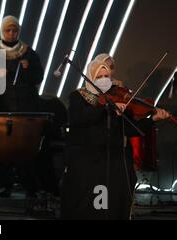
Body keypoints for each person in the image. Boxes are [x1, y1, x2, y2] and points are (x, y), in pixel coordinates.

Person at [60, 59, 170, 219]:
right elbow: (79, 118)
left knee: (113, 202)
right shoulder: (78, 96)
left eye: (106, 76)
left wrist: (152, 119)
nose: (104, 79)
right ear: (90, 77)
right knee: (88, 204)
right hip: (88, 159)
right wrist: (107, 108)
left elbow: (132, 129)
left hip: (113, 158)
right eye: (99, 76)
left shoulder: (118, 98)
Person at [0, 15, 44, 198]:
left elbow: (38, 77)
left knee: (21, 150)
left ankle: (28, 186)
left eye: (15, 30)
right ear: (2, 31)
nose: (11, 33)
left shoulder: (29, 53)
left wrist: (26, 69)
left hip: (23, 108)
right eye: (8, 30)